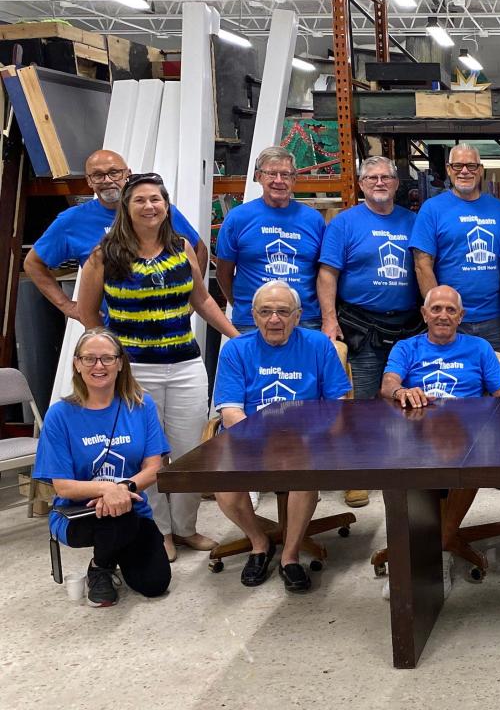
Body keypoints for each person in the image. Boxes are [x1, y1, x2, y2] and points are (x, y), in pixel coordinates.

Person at [77, 172, 238, 562]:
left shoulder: (181, 248)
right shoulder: (106, 254)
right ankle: (159, 531)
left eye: (156, 200)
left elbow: (202, 301)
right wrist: (108, 360)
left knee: (187, 452)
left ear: (166, 206)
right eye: (141, 200)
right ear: (127, 209)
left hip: (185, 365)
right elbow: (87, 312)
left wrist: (237, 336)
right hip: (135, 371)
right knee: (148, 455)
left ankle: (185, 529)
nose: (149, 207)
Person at [212, 280, 353, 592]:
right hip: (249, 440)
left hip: (305, 442)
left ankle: (290, 557)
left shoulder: (318, 345)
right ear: (254, 314)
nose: (273, 319)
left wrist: (302, 440)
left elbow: (337, 405)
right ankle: (259, 543)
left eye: (282, 312)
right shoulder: (236, 349)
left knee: (303, 479)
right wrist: (266, 444)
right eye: (265, 312)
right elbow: (231, 412)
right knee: (225, 490)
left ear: (298, 315)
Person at [32, 328, 172, 607]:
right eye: (90, 359)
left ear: (120, 363)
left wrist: (124, 489)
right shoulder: (60, 415)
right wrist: (109, 489)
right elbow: (63, 487)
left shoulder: (141, 405)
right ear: (77, 364)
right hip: (77, 515)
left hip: (131, 508)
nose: (99, 365)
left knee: (155, 584)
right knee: (117, 516)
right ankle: (101, 566)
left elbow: (154, 467)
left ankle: (113, 553)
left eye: (107, 358)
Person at [317, 156, 420, 509]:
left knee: (405, 398)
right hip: (361, 324)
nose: (379, 182)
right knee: (362, 403)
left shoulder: (412, 221)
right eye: (372, 177)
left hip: (407, 326)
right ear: (361, 184)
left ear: (396, 183)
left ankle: (401, 464)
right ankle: (358, 474)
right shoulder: (344, 224)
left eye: (386, 177)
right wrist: (330, 320)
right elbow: (328, 274)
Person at [380, 285, 500, 559]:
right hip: (417, 431)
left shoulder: (479, 347)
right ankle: (430, 538)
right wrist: (401, 391)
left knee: (472, 456)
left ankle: (442, 539)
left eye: (451, 310)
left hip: (466, 433)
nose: (443, 315)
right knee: (392, 465)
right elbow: (388, 384)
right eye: (436, 309)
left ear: (461, 316)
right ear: (424, 313)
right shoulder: (406, 347)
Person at [23, 149, 206, 322]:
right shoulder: (72, 221)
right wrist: (68, 306)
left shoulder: (156, 212)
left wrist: (193, 300)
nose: (107, 180)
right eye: (98, 175)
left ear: (128, 174)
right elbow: (33, 264)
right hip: (112, 334)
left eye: (114, 172)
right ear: (89, 181)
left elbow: (199, 250)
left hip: (167, 327)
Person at [412, 144, 500, 361]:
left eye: (471, 166)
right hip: (452, 322)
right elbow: (422, 265)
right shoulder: (432, 209)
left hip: (495, 320)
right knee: (455, 386)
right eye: (458, 165)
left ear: (481, 169)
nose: (464, 171)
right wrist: (441, 314)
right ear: (448, 169)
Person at [216, 146, 325, 331]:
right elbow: (223, 273)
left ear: (294, 179)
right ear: (259, 177)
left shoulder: (314, 220)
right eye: (271, 174)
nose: (279, 181)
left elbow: (324, 273)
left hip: (305, 320)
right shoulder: (238, 218)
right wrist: (248, 306)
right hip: (252, 321)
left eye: (286, 174)